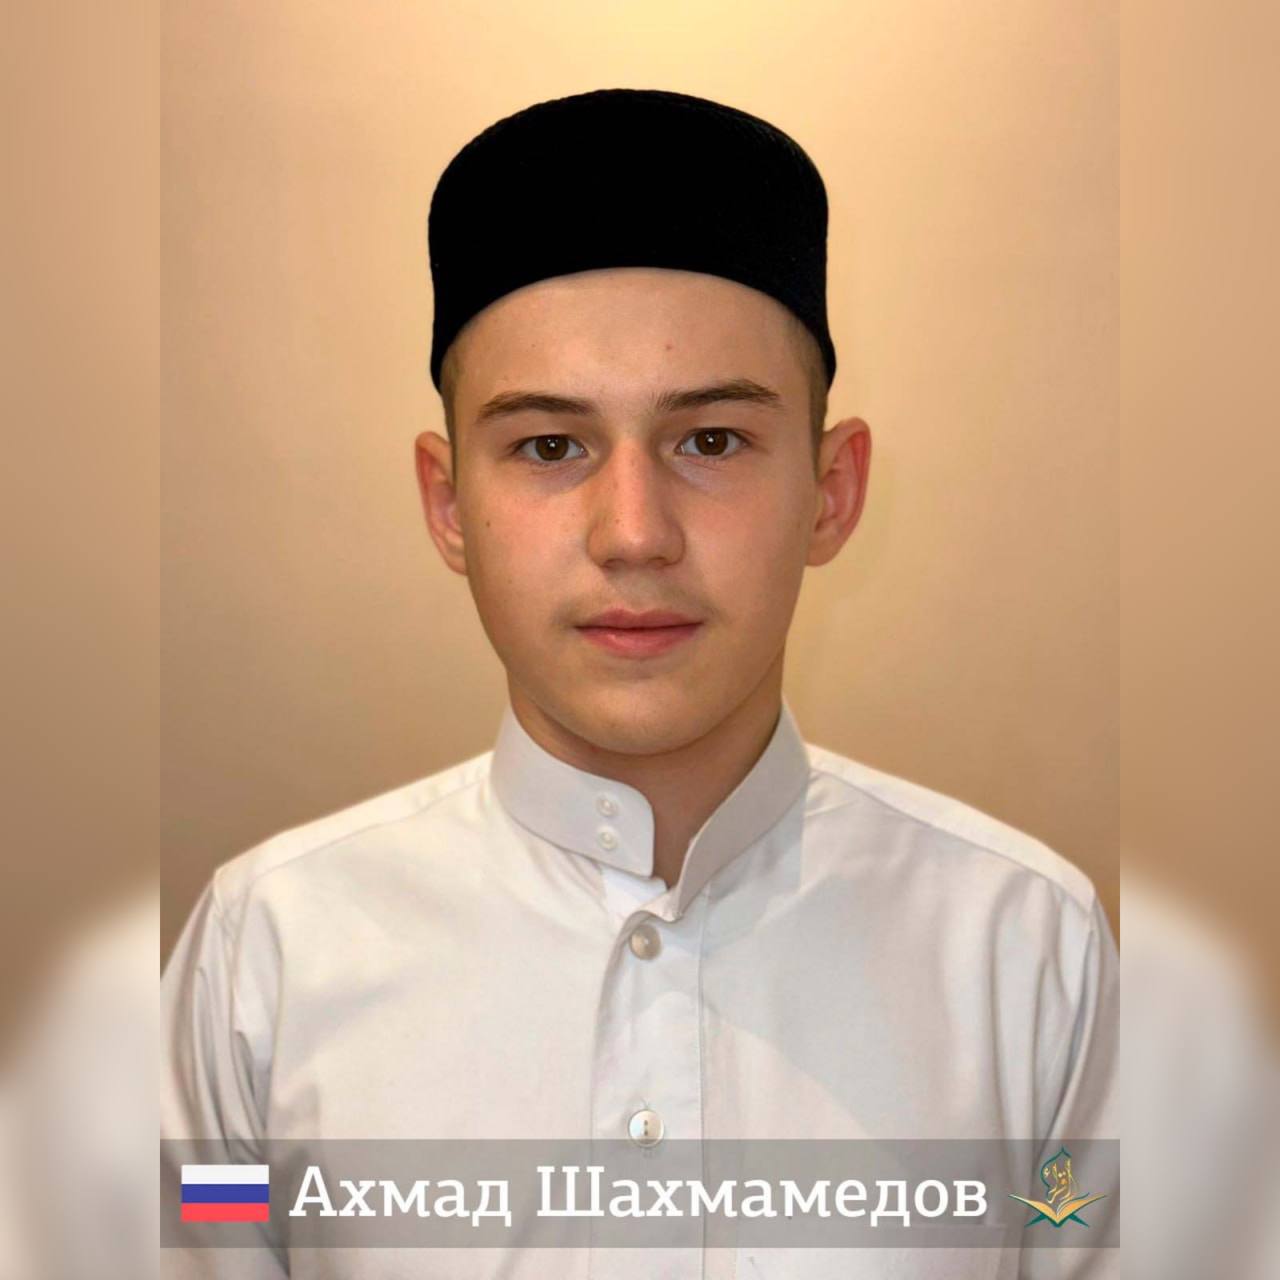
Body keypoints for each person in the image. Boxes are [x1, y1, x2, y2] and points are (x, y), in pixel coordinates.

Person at [162, 88, 1118, 1278]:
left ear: (829, 492)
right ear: (448, 504)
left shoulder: (1025, 956)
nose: (632, 533)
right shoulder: (264, 964)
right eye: (548, 445)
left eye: (709, 440)